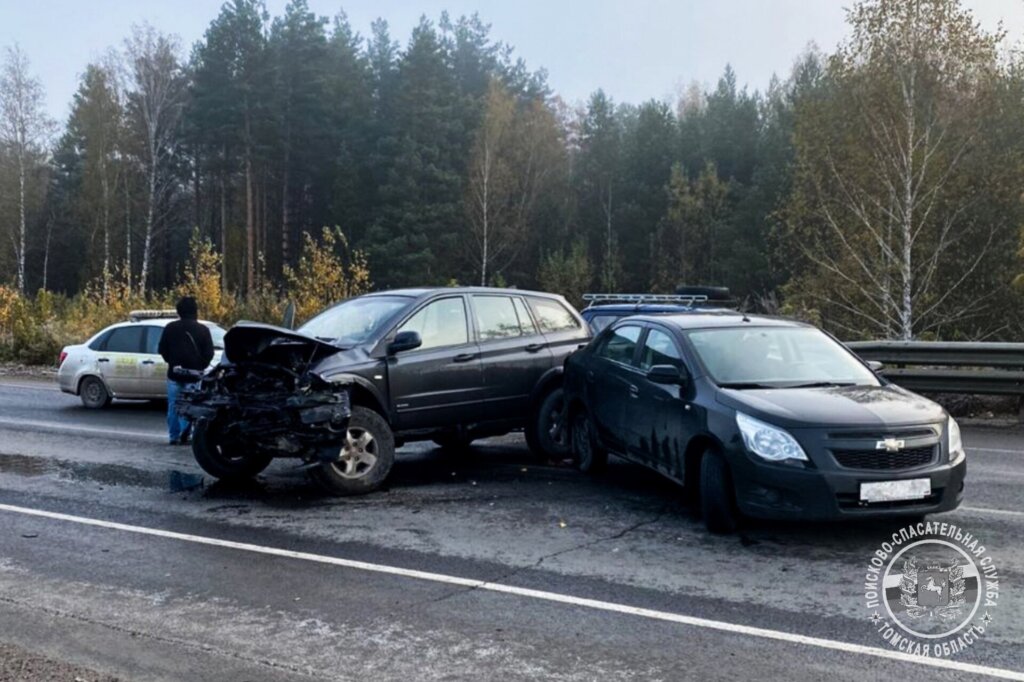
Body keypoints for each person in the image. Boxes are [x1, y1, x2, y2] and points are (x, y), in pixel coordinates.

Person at [158, 296, 214, 445]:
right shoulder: (203, 330)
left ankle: (174, 436)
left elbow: (162, 349)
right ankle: (187, 434)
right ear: (195, 311)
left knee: (173, 405)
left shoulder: (170, 328)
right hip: (194, 375)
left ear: (179, 311)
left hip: (174, 374)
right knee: (190, 406)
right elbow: (209, 353)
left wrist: (171, 362)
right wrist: (200, 365)